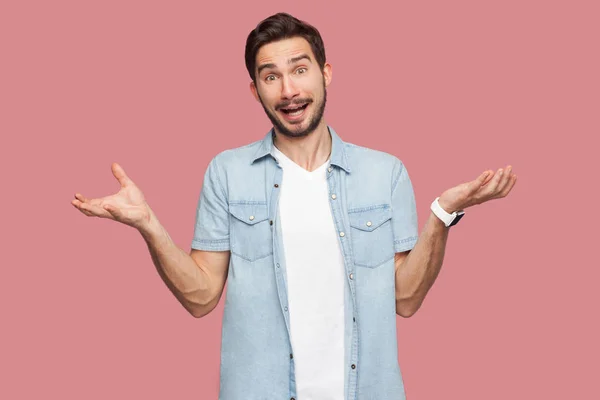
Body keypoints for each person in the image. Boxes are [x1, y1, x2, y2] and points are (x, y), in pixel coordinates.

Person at [72, 12, 517, 400]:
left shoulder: (386, 174)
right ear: (255, 90)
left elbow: (405, 298)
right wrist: (148, 224)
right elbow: (201, 296)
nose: (288, 90)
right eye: (271, 76)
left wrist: (441, 215)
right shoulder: (228, 173)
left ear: (325, 73)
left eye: (299, 70)